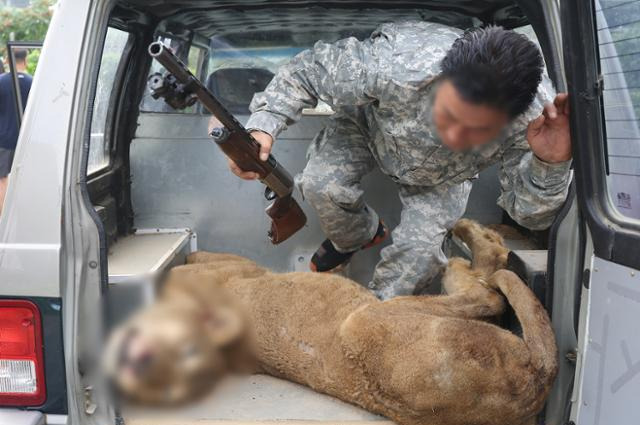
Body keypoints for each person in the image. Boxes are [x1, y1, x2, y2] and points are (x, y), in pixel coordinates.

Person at [226, 22, 572, 300]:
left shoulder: (535, 121)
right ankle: (358, 237)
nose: (452, 136)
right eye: (447, 113)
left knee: (418, 259)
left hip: (444, 178)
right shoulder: (393, 64)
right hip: (366, 128)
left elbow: (530, 214)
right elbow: (306, 72)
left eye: (474, 129)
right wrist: (263, 126)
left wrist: (550, 162)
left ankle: (376, 323)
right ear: (438, 78)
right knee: (321, 185)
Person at [0, 49, 32, 215]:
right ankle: (24, 216)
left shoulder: (1, 81)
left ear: (7, 60)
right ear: (25, 60)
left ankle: (2, 220)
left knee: (1, 180)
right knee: (25, 179)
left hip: (3, 141)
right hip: (26, 141)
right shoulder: (34, 83)